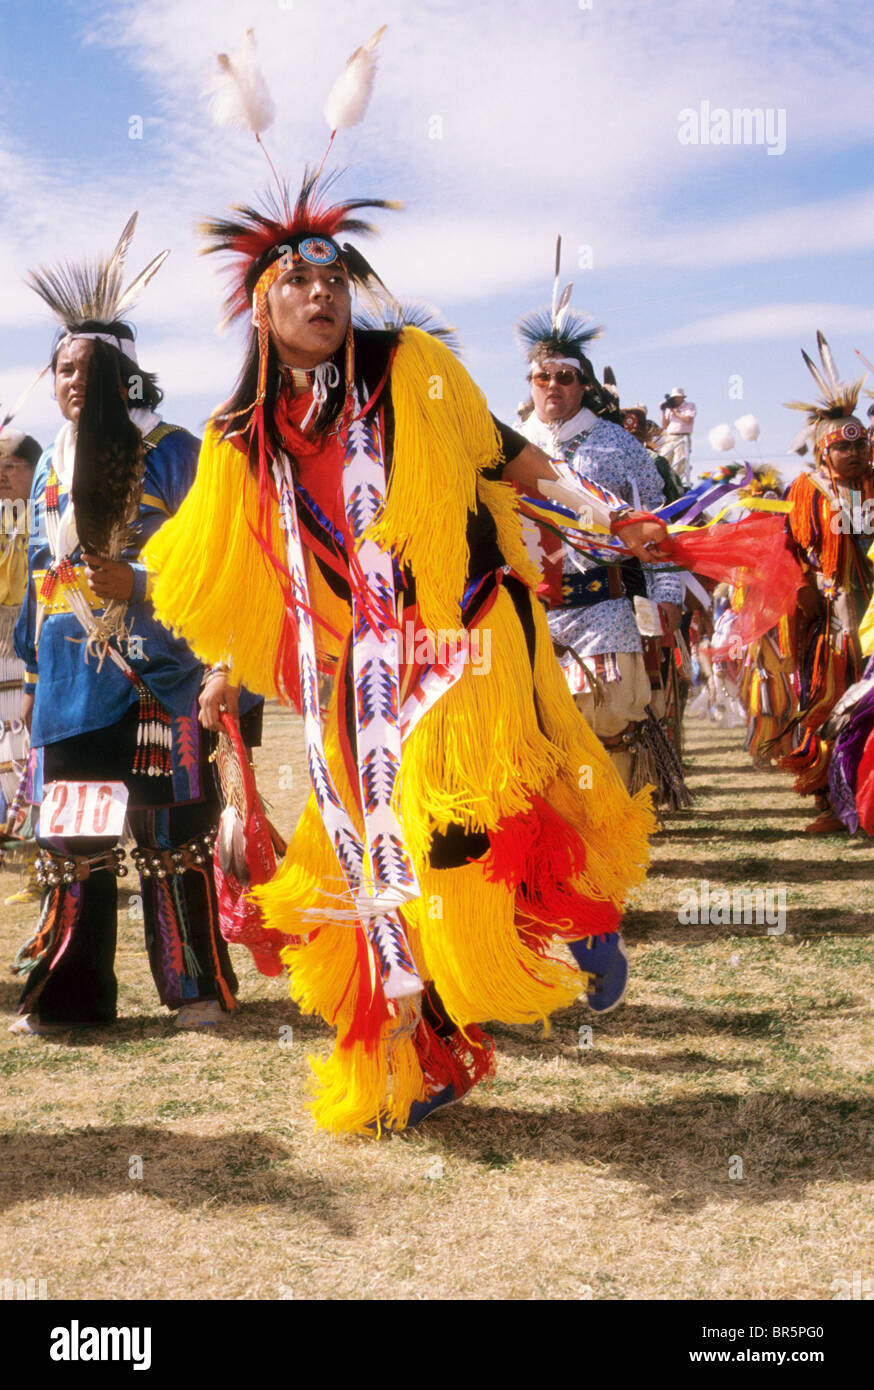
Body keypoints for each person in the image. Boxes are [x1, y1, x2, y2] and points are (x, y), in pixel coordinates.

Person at [144, 172, 667, 1134]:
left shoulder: (410, 365)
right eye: (300, 283)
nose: (322, 294)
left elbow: (511, 455)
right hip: (362, 663)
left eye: (336, 277)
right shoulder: (242, 438)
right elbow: (239, 568)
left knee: (453, 822)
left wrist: (609, 515)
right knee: (379, 861)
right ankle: (425, 1049)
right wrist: (223, 669)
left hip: (467, 624)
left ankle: (570, 908)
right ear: (263, 305)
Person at [9, 216, 239, 1034]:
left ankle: (194, 990)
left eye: (91, 367)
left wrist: (137, 582)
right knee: (76, 847)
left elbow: (213, 563)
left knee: (173, 839)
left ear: (125, 374)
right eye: (63, 367)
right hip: (70, 684)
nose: (74, 380)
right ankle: (72, 1001)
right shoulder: (46, 466)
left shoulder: (175, 451)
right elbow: (41, 583)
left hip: (159, 676)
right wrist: (33, 680)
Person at [515, 291, 686, 793]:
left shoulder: (619, 445)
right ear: (530, 382)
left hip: (604, 604)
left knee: (608, 721)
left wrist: (668, 595)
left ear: (583, 384)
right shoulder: (510, 444)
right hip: (531, 608)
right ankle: (558, 841)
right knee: (540, 726)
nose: (552, 386)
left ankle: (609, 833)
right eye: (541, 376)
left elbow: (659, 528)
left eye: (564, 376)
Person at [777, 333, 873, 833]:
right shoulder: (806, 490)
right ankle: (836, 798)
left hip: (869, 608)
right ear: (822, 451)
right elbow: (787, 551)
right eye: (844, 446)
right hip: (836, 616)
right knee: (837, 699)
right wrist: (802, 589)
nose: (856, 454)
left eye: (863, 443)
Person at [1, 430, 42, 898]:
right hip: (2, 653)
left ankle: (41, 862)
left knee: (30, 754)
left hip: (34, 652)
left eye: (12, 464)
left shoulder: (51, 517)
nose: (3, 474)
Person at [659, 388, 697, 487]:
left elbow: (688, 420)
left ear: (681, 398)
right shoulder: (670, 409)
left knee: (679, 464)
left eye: (676, 398)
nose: (675, 400)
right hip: (670, 437)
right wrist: (663, 411)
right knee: (663, 460)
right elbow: (664, 426)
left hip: (682, 437)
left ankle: (675, 485)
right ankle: (664, 484)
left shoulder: (689, 406)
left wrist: (675, 412)